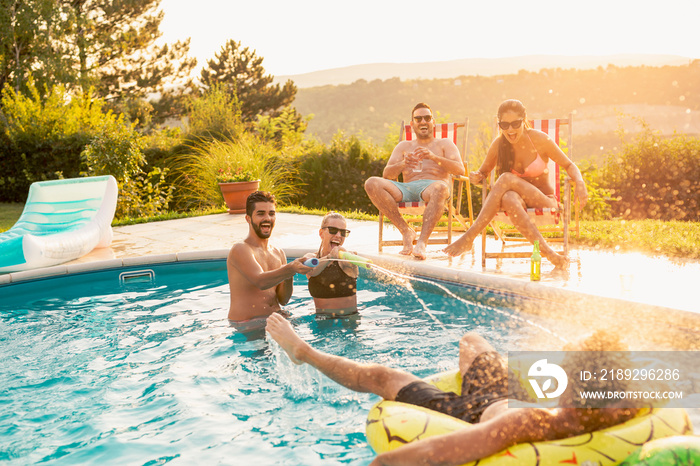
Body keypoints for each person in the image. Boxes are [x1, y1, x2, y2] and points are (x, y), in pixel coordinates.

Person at [266, 313, 639, 466]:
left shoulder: (534, 421)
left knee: (382, 377)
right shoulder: (627, 405)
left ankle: (304, 352)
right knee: (473, 342)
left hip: (472, 411)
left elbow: (446, 450)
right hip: (505, 392)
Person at [443, 99, 588, 269]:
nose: (510, 130)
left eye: (515, 123)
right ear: (500, 125)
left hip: (545, 201)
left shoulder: (539, 140)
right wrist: (477, 176)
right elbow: (482, 173)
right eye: (504, 125)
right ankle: (550, 254)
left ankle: (470, 237)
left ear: (524, 120)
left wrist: (579, 181)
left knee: (505, 178)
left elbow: (569, 165)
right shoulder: (499, 145)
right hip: (517, 204)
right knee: (509, 198)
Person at [365, 103, 465, 260]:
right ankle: (406, 230)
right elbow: (387, 174)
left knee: (440, 188)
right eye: (418, 118)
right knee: (371, 183)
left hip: (432, 188)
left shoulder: (445, 143)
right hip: (405, 188)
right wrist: (403, 164)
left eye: (427, 118)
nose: (423, 121)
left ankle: (422, 243)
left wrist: (434, 157)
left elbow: (460, 170)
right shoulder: (404, 146)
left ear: (433, 122)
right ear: (412, 124)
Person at [227, 191, 314, 325]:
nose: (267, 218)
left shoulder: (278, 253)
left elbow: (283, 299)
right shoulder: (241, 249)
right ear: (248, 218)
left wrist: (291, 272)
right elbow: (261, 282)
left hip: (275, 319)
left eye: (271, 214)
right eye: (261, 214)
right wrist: (290, 268)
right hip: (248, 324)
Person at [307, 212, 360, 317]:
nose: (338, 236)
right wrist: (329, 257)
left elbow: (354, 268)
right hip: (322, 320)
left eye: (343, 232)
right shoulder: (311, 258)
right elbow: (311, 271)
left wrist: (348, 257)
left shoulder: (347, 259)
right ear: (321, 233)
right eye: (333, 230)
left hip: (349, 319)